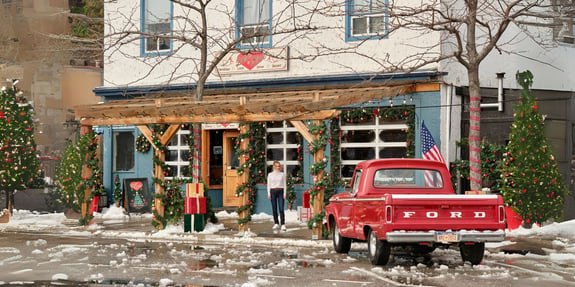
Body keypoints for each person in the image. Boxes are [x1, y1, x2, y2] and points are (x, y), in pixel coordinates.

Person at [267, 160, 286, 232]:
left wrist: (285, 193)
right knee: (274, 208)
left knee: (281, 208)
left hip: (280, 191)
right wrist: (269, 193)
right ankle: (276, 222)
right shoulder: (270, 175)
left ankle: (283, 224)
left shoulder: (282, 174)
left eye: (279, 166)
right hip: (273, 191)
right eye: (276, 166)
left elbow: (284, 184)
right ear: (274, 166)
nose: (278, 167)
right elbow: (268, 185)